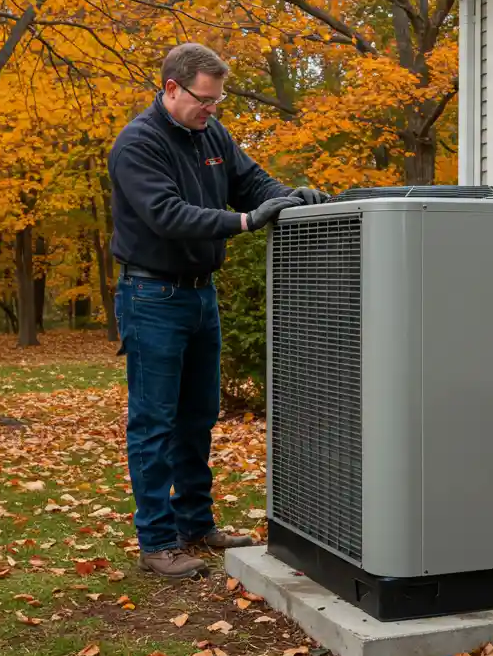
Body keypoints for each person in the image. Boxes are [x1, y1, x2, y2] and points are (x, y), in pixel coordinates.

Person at [108, 42, 330, 579]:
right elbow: (168, 215)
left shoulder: (213, 135)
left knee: (199, 416)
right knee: (155, 421)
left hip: (200, 295)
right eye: (204, 99)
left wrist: (289, 196)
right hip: (151, 296)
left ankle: (194, 524)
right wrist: (248, 222)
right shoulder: (138, 144)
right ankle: (158, 542)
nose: (212, 109)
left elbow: (251, 183)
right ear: (171, 88)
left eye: (217, 100)